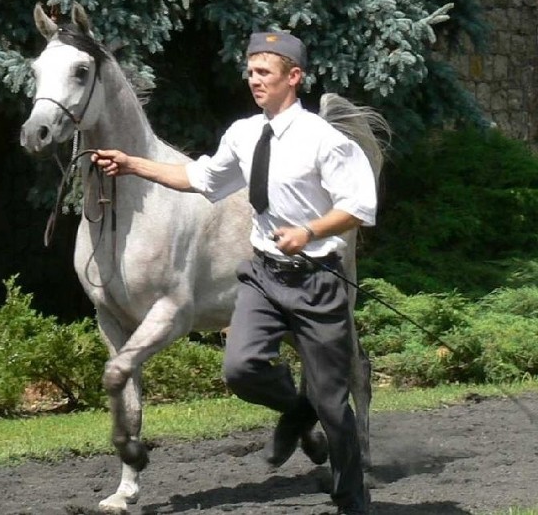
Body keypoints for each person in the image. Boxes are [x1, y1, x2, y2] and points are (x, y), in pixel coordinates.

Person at [92, 31, 375, 515]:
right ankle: (297, 407)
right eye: (250, 71)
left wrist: (309, 231)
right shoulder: (244, 134)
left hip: (316, 280)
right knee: (240, 369)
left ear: (294, 77)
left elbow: (359, 207)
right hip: (264, 276)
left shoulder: (325, 140)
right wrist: (134, 164)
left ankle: (353, 500)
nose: (253, 80)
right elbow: (199, 179)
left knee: (334, 406)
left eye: (264, 72)